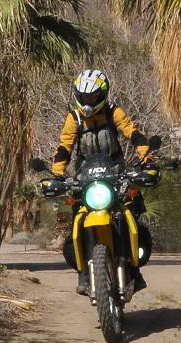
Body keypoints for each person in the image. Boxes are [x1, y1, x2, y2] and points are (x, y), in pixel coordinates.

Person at [51, 69, 153, 295]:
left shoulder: (113, 112)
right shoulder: (74, 118)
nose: (87, 101)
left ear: (102, 95)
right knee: (78, 219)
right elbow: (64, 147)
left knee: (129, 214)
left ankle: (133, 269)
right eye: (83, 96)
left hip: (116, 176)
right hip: (85, 180)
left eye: (91, 97)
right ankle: (84, 274)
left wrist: (148, 161)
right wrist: (57, 174)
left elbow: (133, 133)